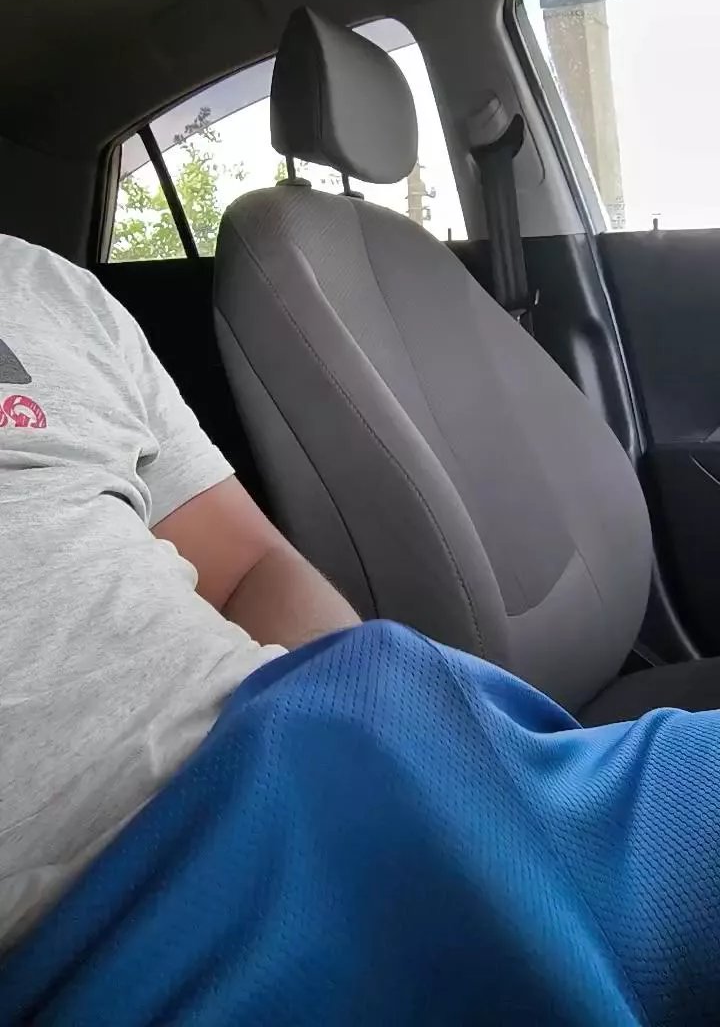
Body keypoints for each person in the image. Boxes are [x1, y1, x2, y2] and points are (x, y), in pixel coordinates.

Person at [2, 233, 720, 1026]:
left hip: (425, 758)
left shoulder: (49, 288)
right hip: (118, 938)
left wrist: (358, 735)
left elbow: (245, 565)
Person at [0, 233, 359, 951]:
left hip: (315, 770)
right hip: (100, 931)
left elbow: (249, 564)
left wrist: (359, 710)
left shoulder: (49, 286)